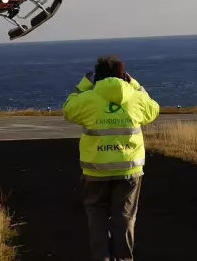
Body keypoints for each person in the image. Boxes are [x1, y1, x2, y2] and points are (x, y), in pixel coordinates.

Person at [62, 55, 160, 261]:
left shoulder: (88, 98)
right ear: (122, 75)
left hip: (95, 170)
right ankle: (124, 258)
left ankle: (102, 258)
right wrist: (136, 85)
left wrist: (81, 87)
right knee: (124, 217)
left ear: (96, 77)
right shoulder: (135, 96)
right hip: (129, 169)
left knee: (97, 216)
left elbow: (68, 110)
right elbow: (153, 110)